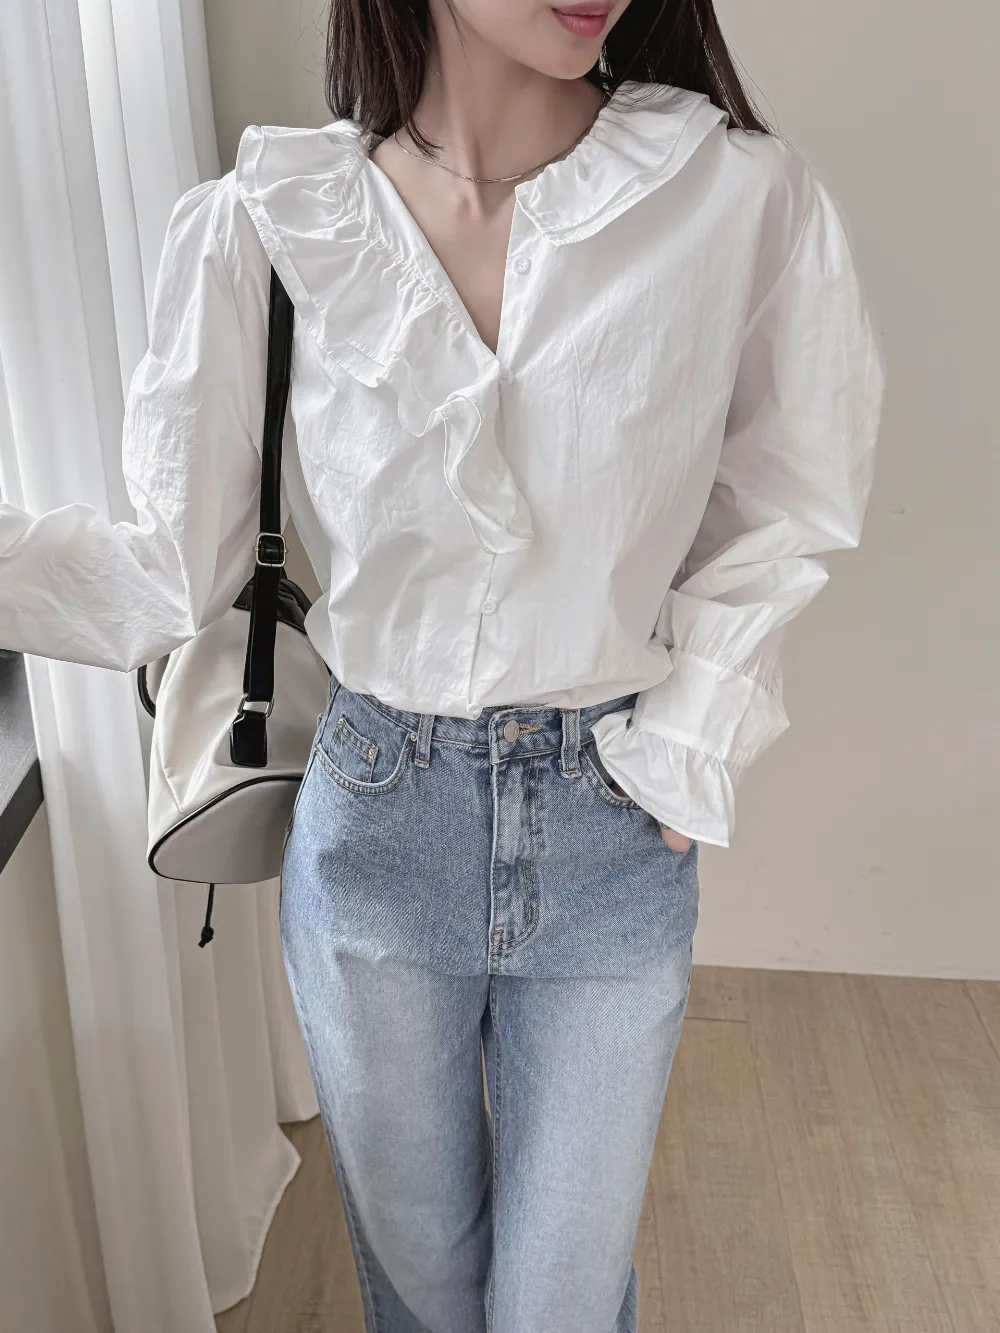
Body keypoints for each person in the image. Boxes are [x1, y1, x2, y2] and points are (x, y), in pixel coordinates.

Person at [0, 0, 884, 1328]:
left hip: (610, 819)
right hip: (375, 818)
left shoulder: (731, 196)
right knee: (418, 1294)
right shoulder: (269, 221)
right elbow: (167, 574)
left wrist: (694, 737)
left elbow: (787, 498)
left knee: (558, 1303)